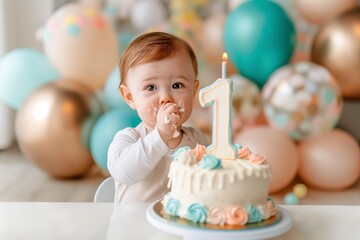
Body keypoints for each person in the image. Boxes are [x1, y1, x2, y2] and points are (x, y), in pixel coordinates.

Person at [107, 32, 208, 203]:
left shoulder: (197, 140)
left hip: (181, 227)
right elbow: (123, 172)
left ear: (193, 90)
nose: (165, 97)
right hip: (133, 228)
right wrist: (160, 135)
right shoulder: (128, 139)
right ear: (130, 97)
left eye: (177, 85)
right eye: (151, 87)